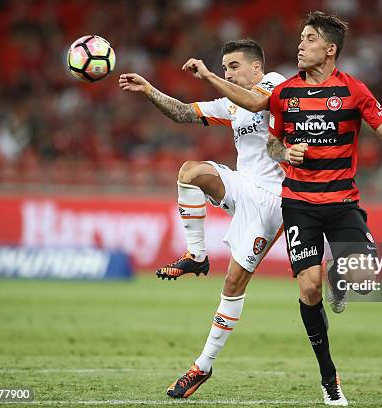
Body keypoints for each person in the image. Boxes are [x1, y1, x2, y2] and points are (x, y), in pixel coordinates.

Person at [207, 11, 382, 406]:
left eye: (309, 39)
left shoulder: (354, 91)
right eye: (300, 38)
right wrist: (286, 151)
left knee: (364, 277)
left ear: (329, 49)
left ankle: (341, 277)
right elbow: (272, 142)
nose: (300, 45)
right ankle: (328, 377)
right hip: (299, 203)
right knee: (308, 287)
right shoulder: (284, 94)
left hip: (342, 202)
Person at [119, 39, 286, 399]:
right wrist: (148, 89)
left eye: (234, 66)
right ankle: (196, 255)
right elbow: (182, 112)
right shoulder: (231, 103)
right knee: (190, 172)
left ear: (257, 68)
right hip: (243, 186)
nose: (228, 72)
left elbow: (256, 102)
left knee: (233, 285)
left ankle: (202, 366)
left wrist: (209, 76)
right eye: (224, 67)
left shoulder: (275, 83)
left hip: (273, 201)